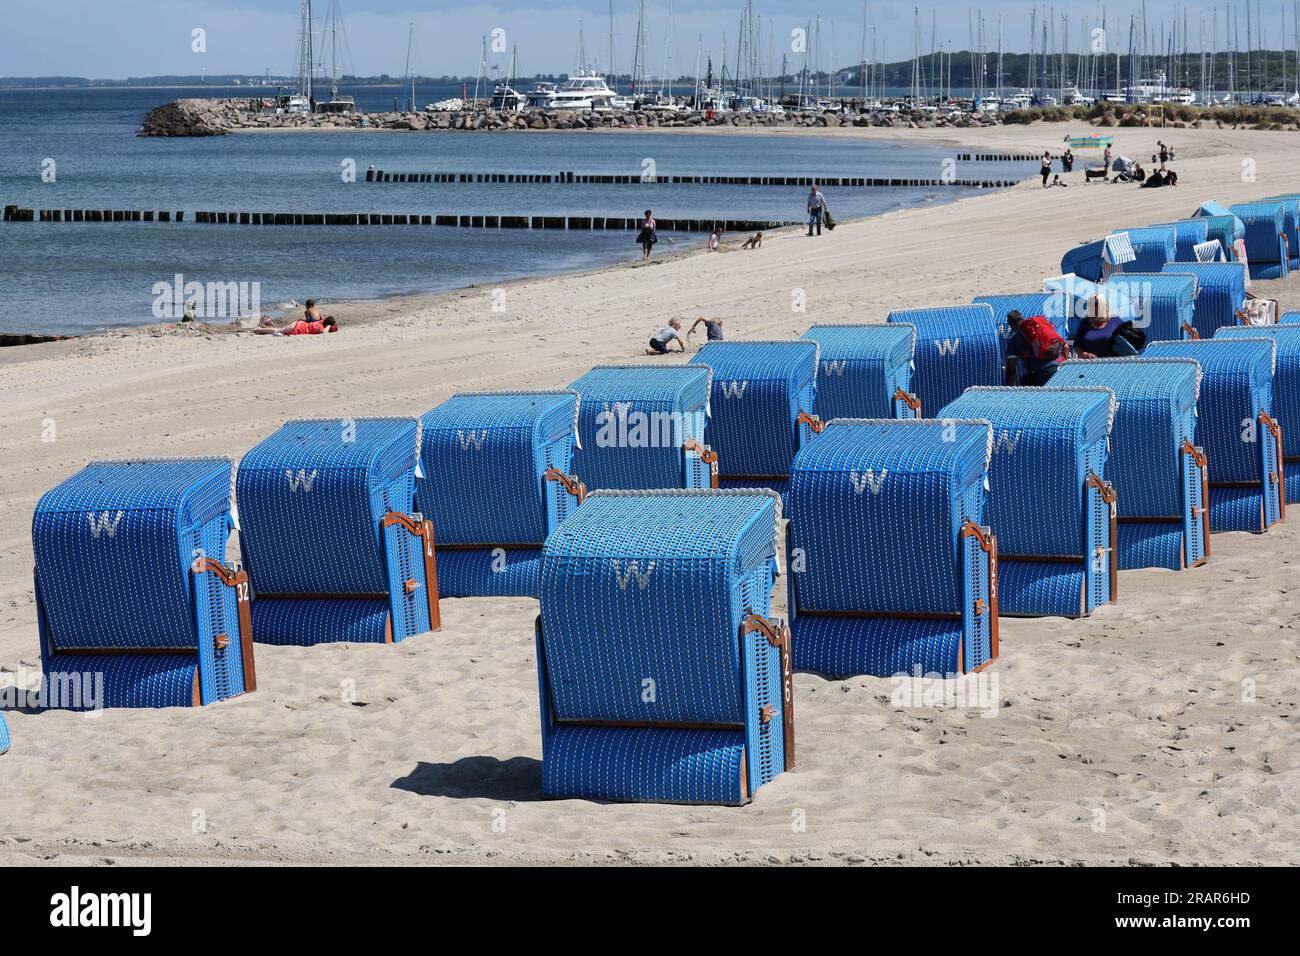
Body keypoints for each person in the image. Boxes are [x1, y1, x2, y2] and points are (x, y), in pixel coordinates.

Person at [1006, 309, 1070, 385]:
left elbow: (1011, 369)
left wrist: (1008, 390)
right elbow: (1065, 347)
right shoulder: (1042, 329)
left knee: (1024, 382)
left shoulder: (1014, 340)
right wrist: (1067, 370)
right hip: (1060, 371)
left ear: (1011, 325)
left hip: (1042, 374)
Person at [1073, 294, 1145, 359]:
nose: (1092, 306)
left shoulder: (1116, 321)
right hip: (1090, 366)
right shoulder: (1085, 322)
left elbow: (1129, 343)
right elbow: (1077, 345)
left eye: (1095, 304)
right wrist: (1084, 354)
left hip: (1114, 366)